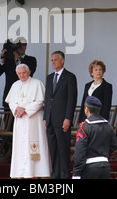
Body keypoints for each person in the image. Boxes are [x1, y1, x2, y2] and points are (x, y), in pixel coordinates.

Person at [5, 64, 51, 179]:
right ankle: (21, 172)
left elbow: (40, 101)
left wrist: (25, 110)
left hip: (33, 120)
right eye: (19, 73)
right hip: (20, 121)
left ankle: (40, 171)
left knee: (35, 144)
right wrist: (16, 108)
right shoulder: (15, 85)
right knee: (21, 146)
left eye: (24, 73)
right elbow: (10, 101)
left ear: (29, 72)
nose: (22, 75)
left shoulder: (37, 83)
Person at [43, 51, 78, 179]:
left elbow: (71, 100)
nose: (53, 62)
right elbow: (47, 99)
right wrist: (45, 117)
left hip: (62, 119)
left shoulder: (70, 77)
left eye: (56, 60)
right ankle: (55, 175)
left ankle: (64, 175)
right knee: (53, 150)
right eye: (51, 60)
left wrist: (68, 118)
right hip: (50, 119)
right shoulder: (49, 77)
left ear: (62, 60)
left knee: (63, 150)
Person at [73, 96, 117, 179]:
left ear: (86, 109)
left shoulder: (84, 126)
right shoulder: (108, 125)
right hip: (105, 166)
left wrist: (76, 173)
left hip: (89, 167)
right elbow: (114, 145)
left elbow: (80, 151)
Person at [0, 37, 37, 108]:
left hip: (24, 97)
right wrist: (2, 60)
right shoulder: (9, 61)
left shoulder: (31, 60)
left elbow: (29, 74)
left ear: (26, 46)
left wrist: (17, 61)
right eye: (18, 45)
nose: (20, 47)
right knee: (7, 119)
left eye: (23, 45)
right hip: (10, 97)